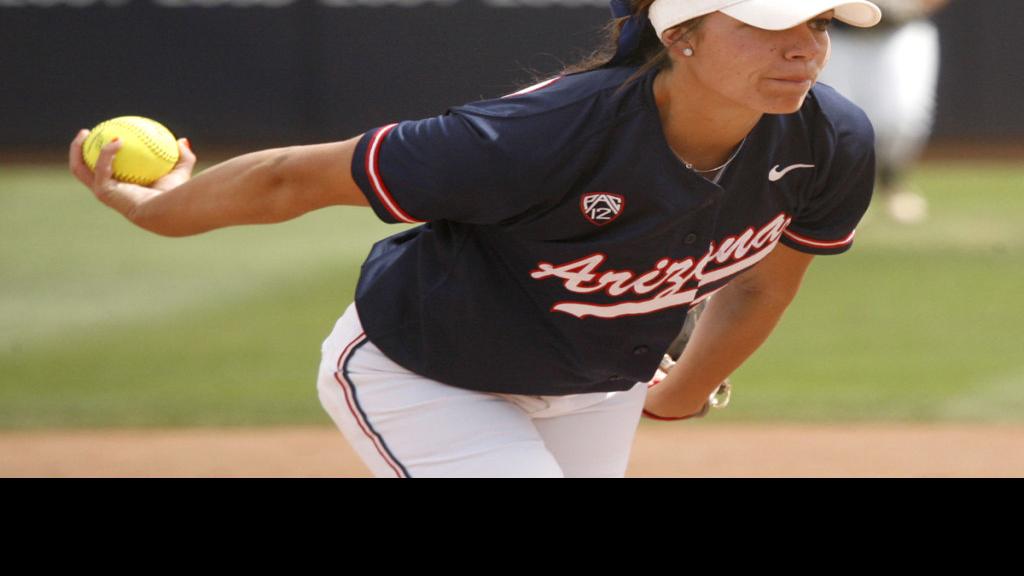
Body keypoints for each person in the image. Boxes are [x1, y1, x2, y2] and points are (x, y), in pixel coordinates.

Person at [69, 0, 882, 477]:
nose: (803, 46)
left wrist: (680, 392)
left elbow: (762, 282)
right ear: (681, 34)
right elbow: (296, 178)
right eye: (769, 23)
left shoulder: (830, 140)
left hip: (598, 384)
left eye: (818, 22)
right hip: (426, 368)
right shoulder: (537, 134)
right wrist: (157, 208)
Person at [817, 0, 950, 223]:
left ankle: (893, 184)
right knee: (834, 118)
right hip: (838, 32)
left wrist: (915, 7)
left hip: (900, 31)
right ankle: (841, 194)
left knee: (901, 121)